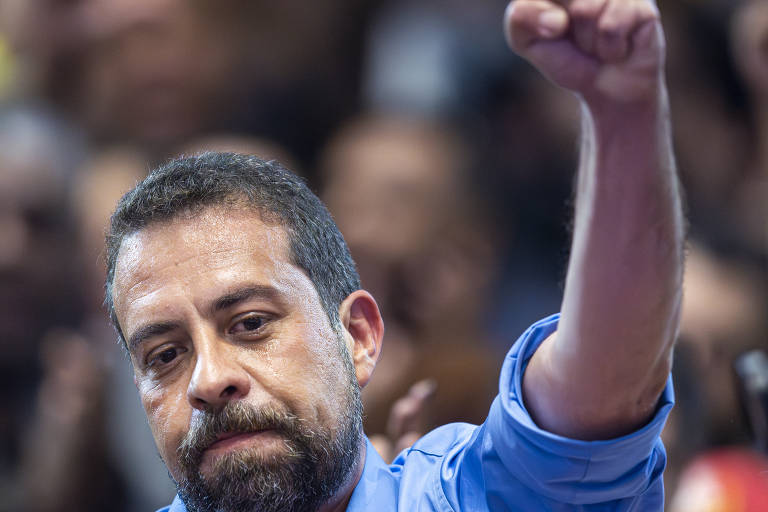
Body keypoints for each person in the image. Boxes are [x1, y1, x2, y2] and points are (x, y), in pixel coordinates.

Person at [104, 0, 684, 510]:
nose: (208, 379)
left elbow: (609, 378)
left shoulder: (465, 497)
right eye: (163, 356)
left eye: (251, 324)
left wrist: (623, 113)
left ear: (357, 336)